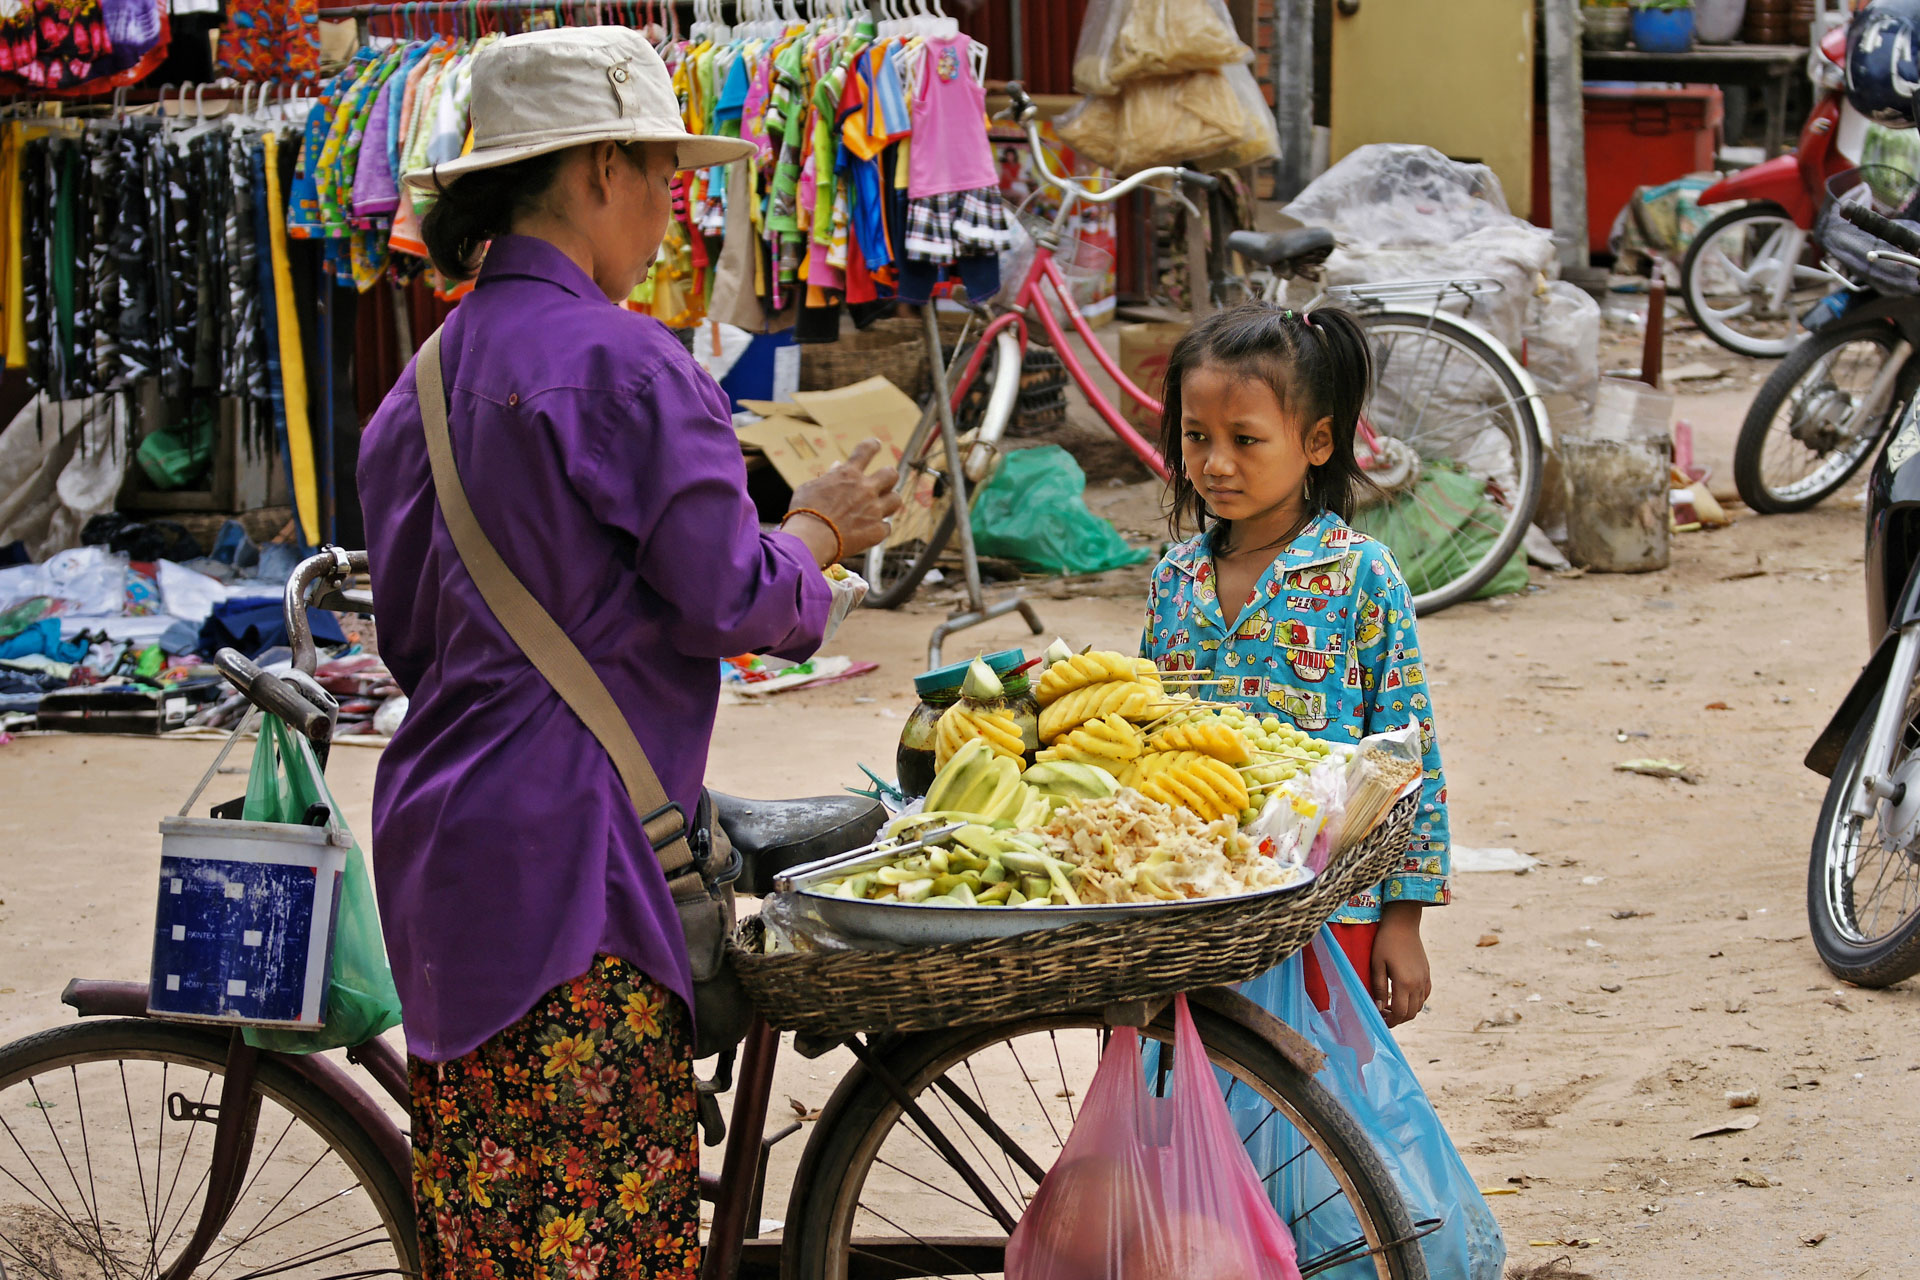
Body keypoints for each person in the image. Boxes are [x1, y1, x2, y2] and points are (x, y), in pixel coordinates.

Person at [354, 27, 901, 1280]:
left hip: (442, 850)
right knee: (604, 1233)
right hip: (578, 873)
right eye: (663, 173)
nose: (673, 206)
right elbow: (732, 597)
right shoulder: (625, 363)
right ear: (601, 167)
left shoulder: (415, 388)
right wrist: (816, 533)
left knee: (491, 1230)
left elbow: (410, 638)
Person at [1139, 302, 1450, 1027]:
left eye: (1245, 440)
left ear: (1316, 442)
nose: (1216, 463)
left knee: (1313, 1083)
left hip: (1329, 909)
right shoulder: (1173, 580)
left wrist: (1404, 920)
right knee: (1195, 1076)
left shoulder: (1360, 575)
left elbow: (1410, 756)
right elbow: (1149, 734)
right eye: (1196, 436)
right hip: (1192, 902)